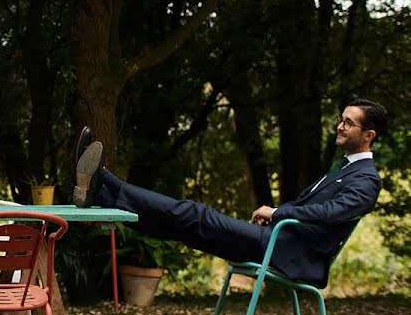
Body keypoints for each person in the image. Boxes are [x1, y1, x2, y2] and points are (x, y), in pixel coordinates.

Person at [73, 98, 386, 287]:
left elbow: (330, 214)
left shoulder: (366, 179)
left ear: (368, 135)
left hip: (288, 253)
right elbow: (315, 210)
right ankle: (103, 195)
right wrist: (278, 218)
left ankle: (107, 183)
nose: (340, 126)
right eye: (341, 120)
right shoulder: (346, 168)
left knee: (196, 214)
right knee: (189, 229)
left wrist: (278, 214)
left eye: (349, 123)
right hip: (279, 241)